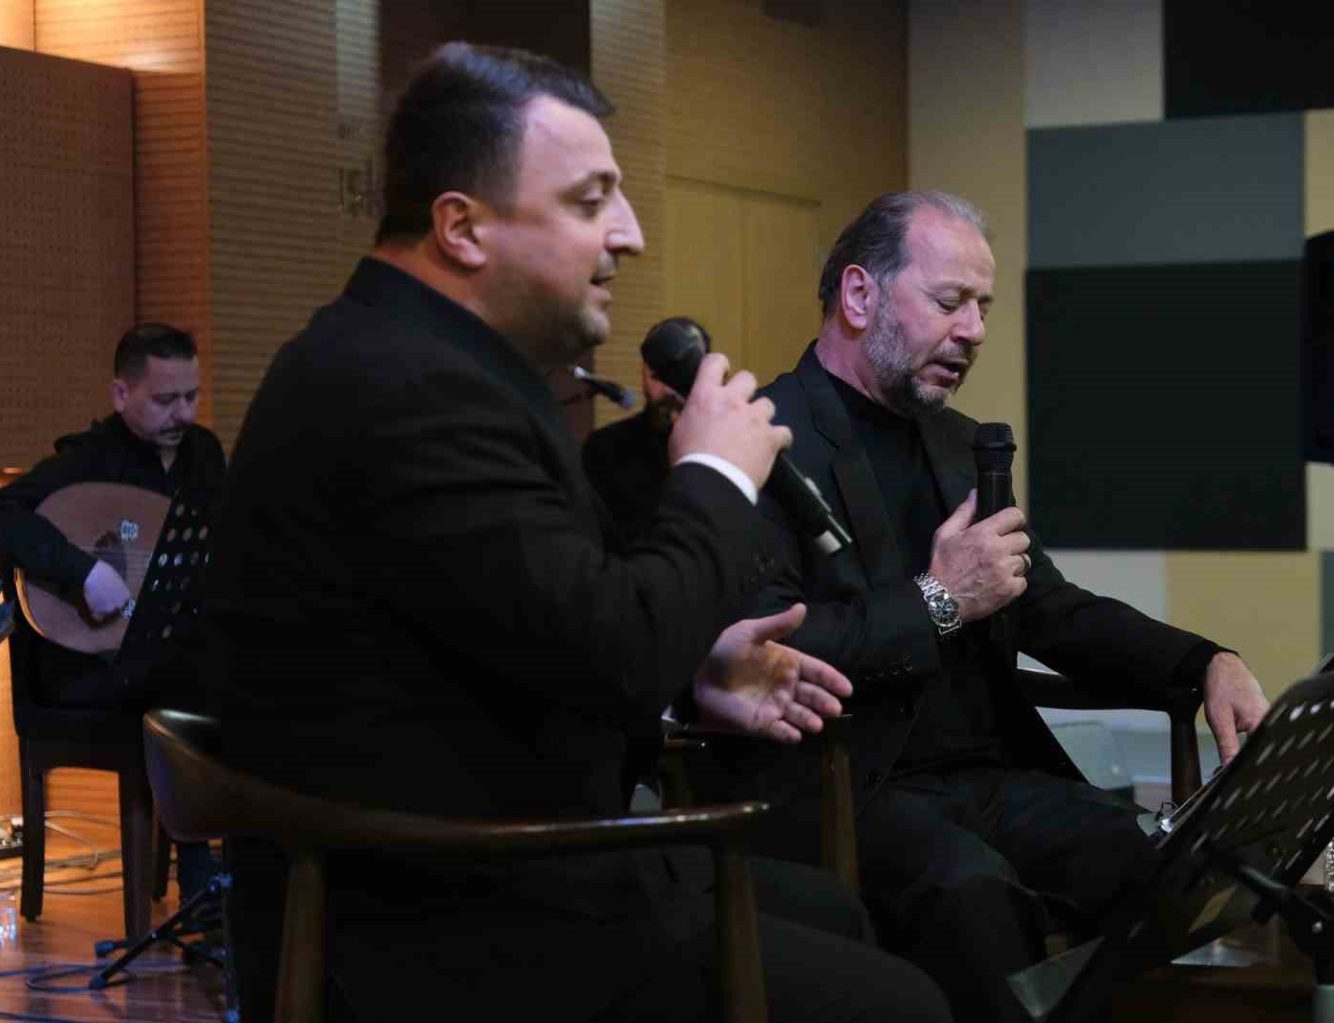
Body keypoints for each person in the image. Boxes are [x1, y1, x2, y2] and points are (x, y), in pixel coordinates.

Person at [199, 45, 951, 1023]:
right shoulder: (406, 388)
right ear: (462, 227)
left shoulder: (424, 364)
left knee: (837, 912)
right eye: (593, 200)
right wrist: (717, 472)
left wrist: (694, 669)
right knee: (903, 1005)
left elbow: (530, 618)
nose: (628, 234)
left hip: (478, 860)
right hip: (440, 918)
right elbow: (613, 649)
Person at [700, 191, 1273, 1021]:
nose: (972, 329)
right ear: (859, 296)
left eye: (983, 307)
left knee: (1164, 859)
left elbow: (1051, 607)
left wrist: (1203, 659)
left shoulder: (960, 443)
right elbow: (770, 652)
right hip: (842, 784)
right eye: (949, 302)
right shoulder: (763, 439)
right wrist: (938, 599)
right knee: (971, 893)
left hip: (984, 776)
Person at [0, 322, 223, 900]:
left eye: (192, 396)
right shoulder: (87, 459)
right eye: (166, 399)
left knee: (244, 673)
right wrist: (83, 571)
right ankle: (202, 878)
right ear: (121, 394)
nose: (183, 413)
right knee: (191, 681)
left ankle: (243, 876)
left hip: (170, 655)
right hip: (87, 666)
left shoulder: (203, 454)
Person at [581, 316, 711, 543]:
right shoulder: (603, 448)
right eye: (659, 370)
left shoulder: (722, 449)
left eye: (682, 369)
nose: (668, 385)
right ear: (644, 370)